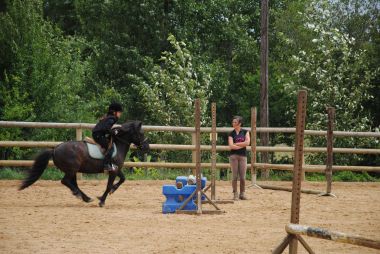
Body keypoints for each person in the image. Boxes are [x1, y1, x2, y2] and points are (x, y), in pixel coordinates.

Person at [92, 102, 123, 172]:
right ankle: (106, 165)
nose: (120, 114)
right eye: (119, 112)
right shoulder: (111, 119)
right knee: (110, 148)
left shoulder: (108, 117)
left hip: (98, 133)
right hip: (98, 135)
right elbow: (106, 129)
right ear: (114, 112)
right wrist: (113, 132)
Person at [228, 116, 250, 200]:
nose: (233, 124)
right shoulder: (231, 133)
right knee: (234, 176)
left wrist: (236, 144)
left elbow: (247, 142)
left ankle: (242, 193)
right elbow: (230, 145)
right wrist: (241, 144)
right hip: (233, 156)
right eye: (233, 122)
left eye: (235, 122)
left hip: (243, 156)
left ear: (239, 124)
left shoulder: (245, 132)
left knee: (242, 177)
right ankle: (235, 193)